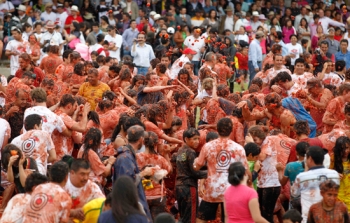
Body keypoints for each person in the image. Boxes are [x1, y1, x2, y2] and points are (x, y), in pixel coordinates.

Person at [193, 118, 249, 223]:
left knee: (201, 218)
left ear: (217, 130)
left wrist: (195, 162)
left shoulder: (208, 146)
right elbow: (245, 171)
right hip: (231, 190)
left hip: (212, 189)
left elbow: (197, 166)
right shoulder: (238, 148)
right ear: (232, 130)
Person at [113, 125, 154, 220]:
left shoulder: (128, 155)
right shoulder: (126, 158)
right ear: (141, 139)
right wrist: (143, 173)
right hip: (130, 209)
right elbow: (127, 184)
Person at [291, 146, 340, 223]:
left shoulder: (302, 177)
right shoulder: (334, 174)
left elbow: (294, 194)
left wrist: (305, 170)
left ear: (310, 159)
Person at [175, 128, 207, 223]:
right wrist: (211, 172)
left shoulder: (181, 151)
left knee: (183, 216)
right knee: (191, 218)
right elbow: (195, 173)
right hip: (189, 187)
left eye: (198, 138)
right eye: (194, 139)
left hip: (179, 187)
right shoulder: (190, 152)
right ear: (186, 139)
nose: (197, 141)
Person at [330, 136, 350, 211]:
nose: (346, 151)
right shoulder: (333, 159)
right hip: (338, 196)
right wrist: (334, 174)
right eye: (342, 149)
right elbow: (327, 174)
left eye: (347, 148)